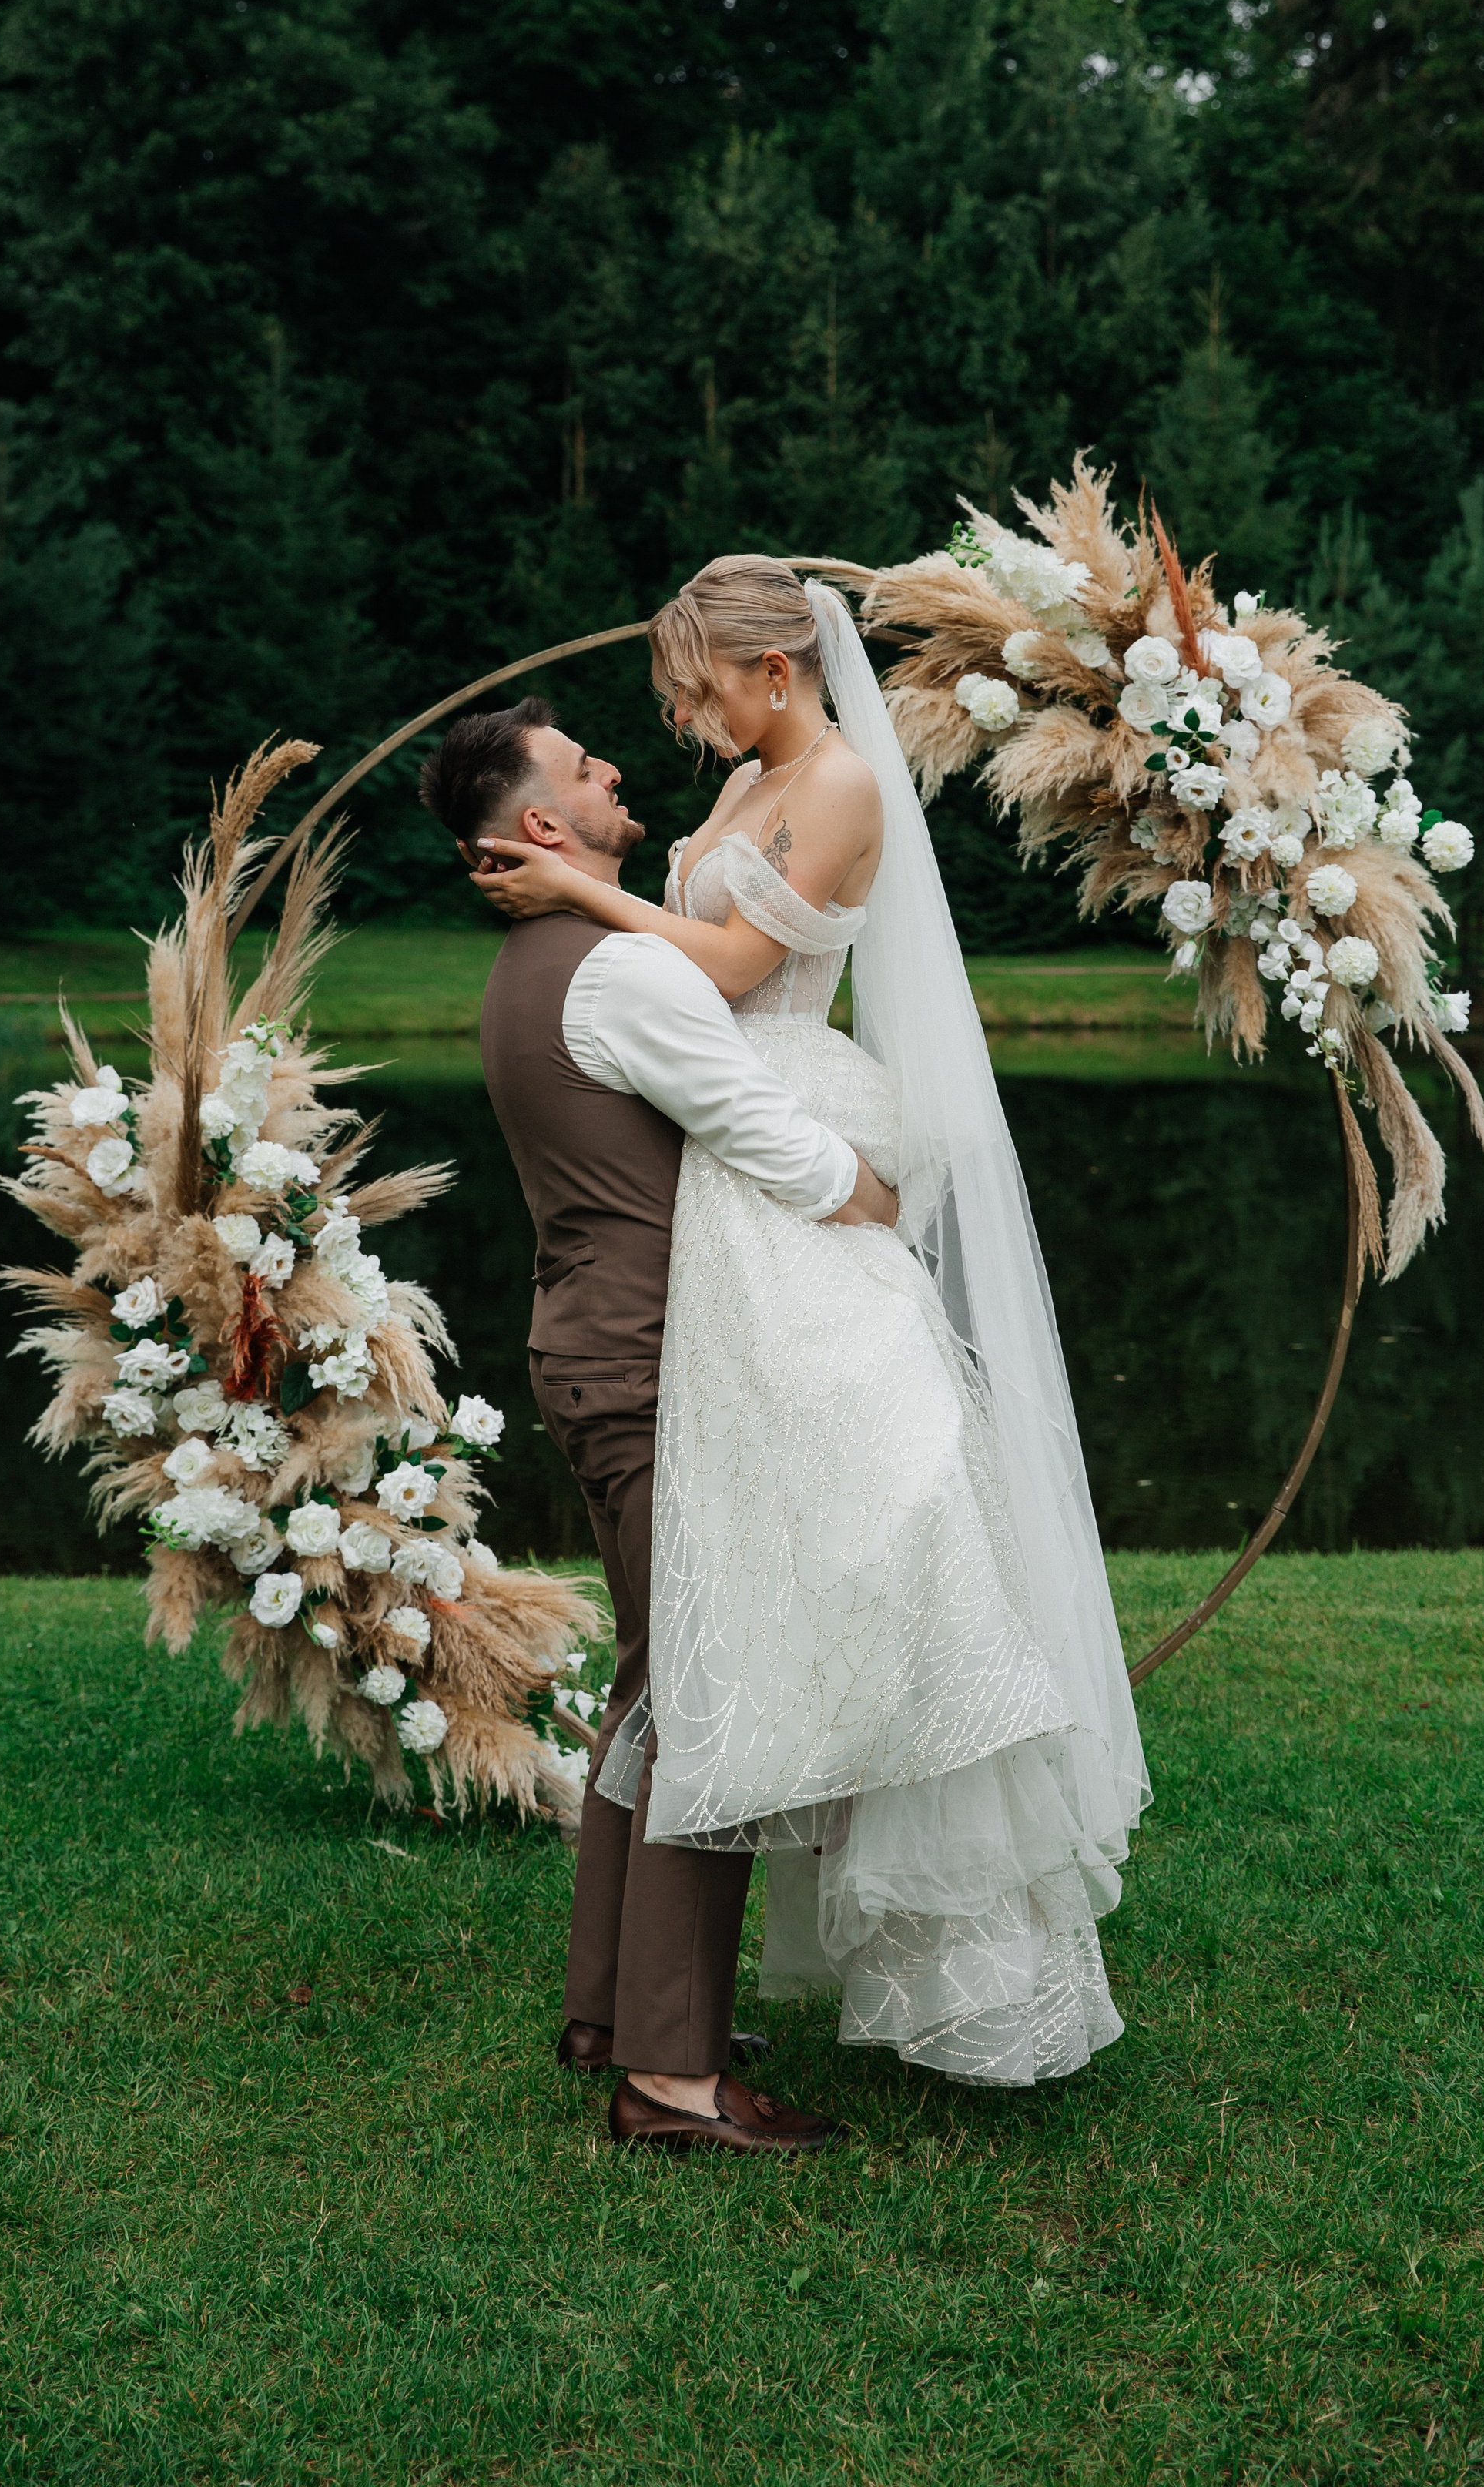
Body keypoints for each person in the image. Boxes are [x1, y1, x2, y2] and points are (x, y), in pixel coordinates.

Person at [467, 555, 1151, 2090]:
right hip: (731, 1177)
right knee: (715, 1633)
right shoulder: (752, 778)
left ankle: (916, 1975)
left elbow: (726, 968)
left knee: (867, 1558)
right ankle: (650, 2025)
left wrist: (576, 889)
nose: (681, 722)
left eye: (696, 689)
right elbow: (689, 975)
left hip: (772, 1140)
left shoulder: (835, 779)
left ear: (777, 670)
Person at [420, 699, 897, 2155]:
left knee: (653, 1675)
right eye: (583, 768)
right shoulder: (621, 970)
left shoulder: (534, 965)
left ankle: (612, 2012)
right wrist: (870, 1194)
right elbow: (750, 1122)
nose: (616, 766)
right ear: (546, 828)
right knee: (711, 1695)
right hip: (649, 1368)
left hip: (597, 1353)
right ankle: (674, 2081)